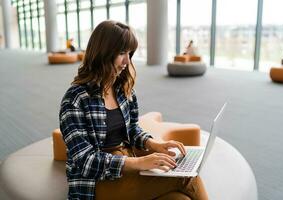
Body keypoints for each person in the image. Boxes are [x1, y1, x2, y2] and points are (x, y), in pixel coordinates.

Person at [59, 20, 208, 200]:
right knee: (187, 178)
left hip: (125, 164)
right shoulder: (75, 99)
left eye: (129, 53)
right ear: (102, 53)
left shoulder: (123, 89)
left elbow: (132, 130)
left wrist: (154, 145)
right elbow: (84, 161)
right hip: (95, 183)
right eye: (121, 53)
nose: (127, 61)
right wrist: (138, 162)